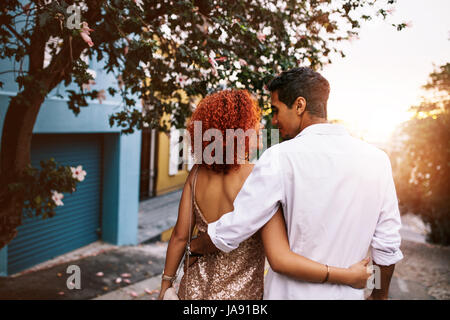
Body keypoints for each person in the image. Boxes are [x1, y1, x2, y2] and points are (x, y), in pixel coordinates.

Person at [190, 67, 404, 300]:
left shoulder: (279, 158)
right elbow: (387, 245)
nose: (274, 120)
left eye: (276, 110)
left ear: (299, 105)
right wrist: (379, 295)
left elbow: (235, 227)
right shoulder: (377, 161)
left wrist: (194, 246)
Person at [158, 89, 372, 300]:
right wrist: (348, 276)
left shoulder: (196, 174)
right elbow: (279, 257)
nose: (261, 127)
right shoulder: (259, 177)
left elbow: (179, 236)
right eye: (253, 123)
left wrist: (166, 284)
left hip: (193, 290)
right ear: (238, 131)